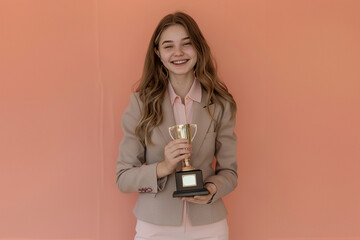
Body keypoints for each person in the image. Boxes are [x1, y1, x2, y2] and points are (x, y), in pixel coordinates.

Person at [116, 11, 237, 240]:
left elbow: (230, 172)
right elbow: (123, 178)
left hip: (209, 226)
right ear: (158, 53)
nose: (178, 53)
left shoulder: (221, 104)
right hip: (155, 228)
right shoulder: (140, 104)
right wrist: (162, 167)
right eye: (168, 46)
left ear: (198, 48)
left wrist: (211, 189)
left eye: (187, 44)